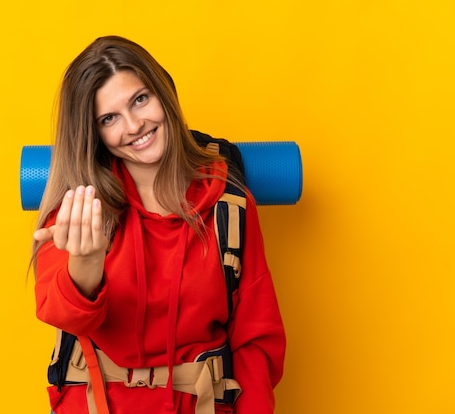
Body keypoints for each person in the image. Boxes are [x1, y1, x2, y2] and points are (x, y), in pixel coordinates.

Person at [32, 35, 285, 414]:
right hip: (94, 404)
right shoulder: (82, 205)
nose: (134, 125)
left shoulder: (229, 205)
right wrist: (86, 262)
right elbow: (59, 313)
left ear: (163, 92)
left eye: (140, 99)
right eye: (109, 118)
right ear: (94, 132)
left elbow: (256, 342)